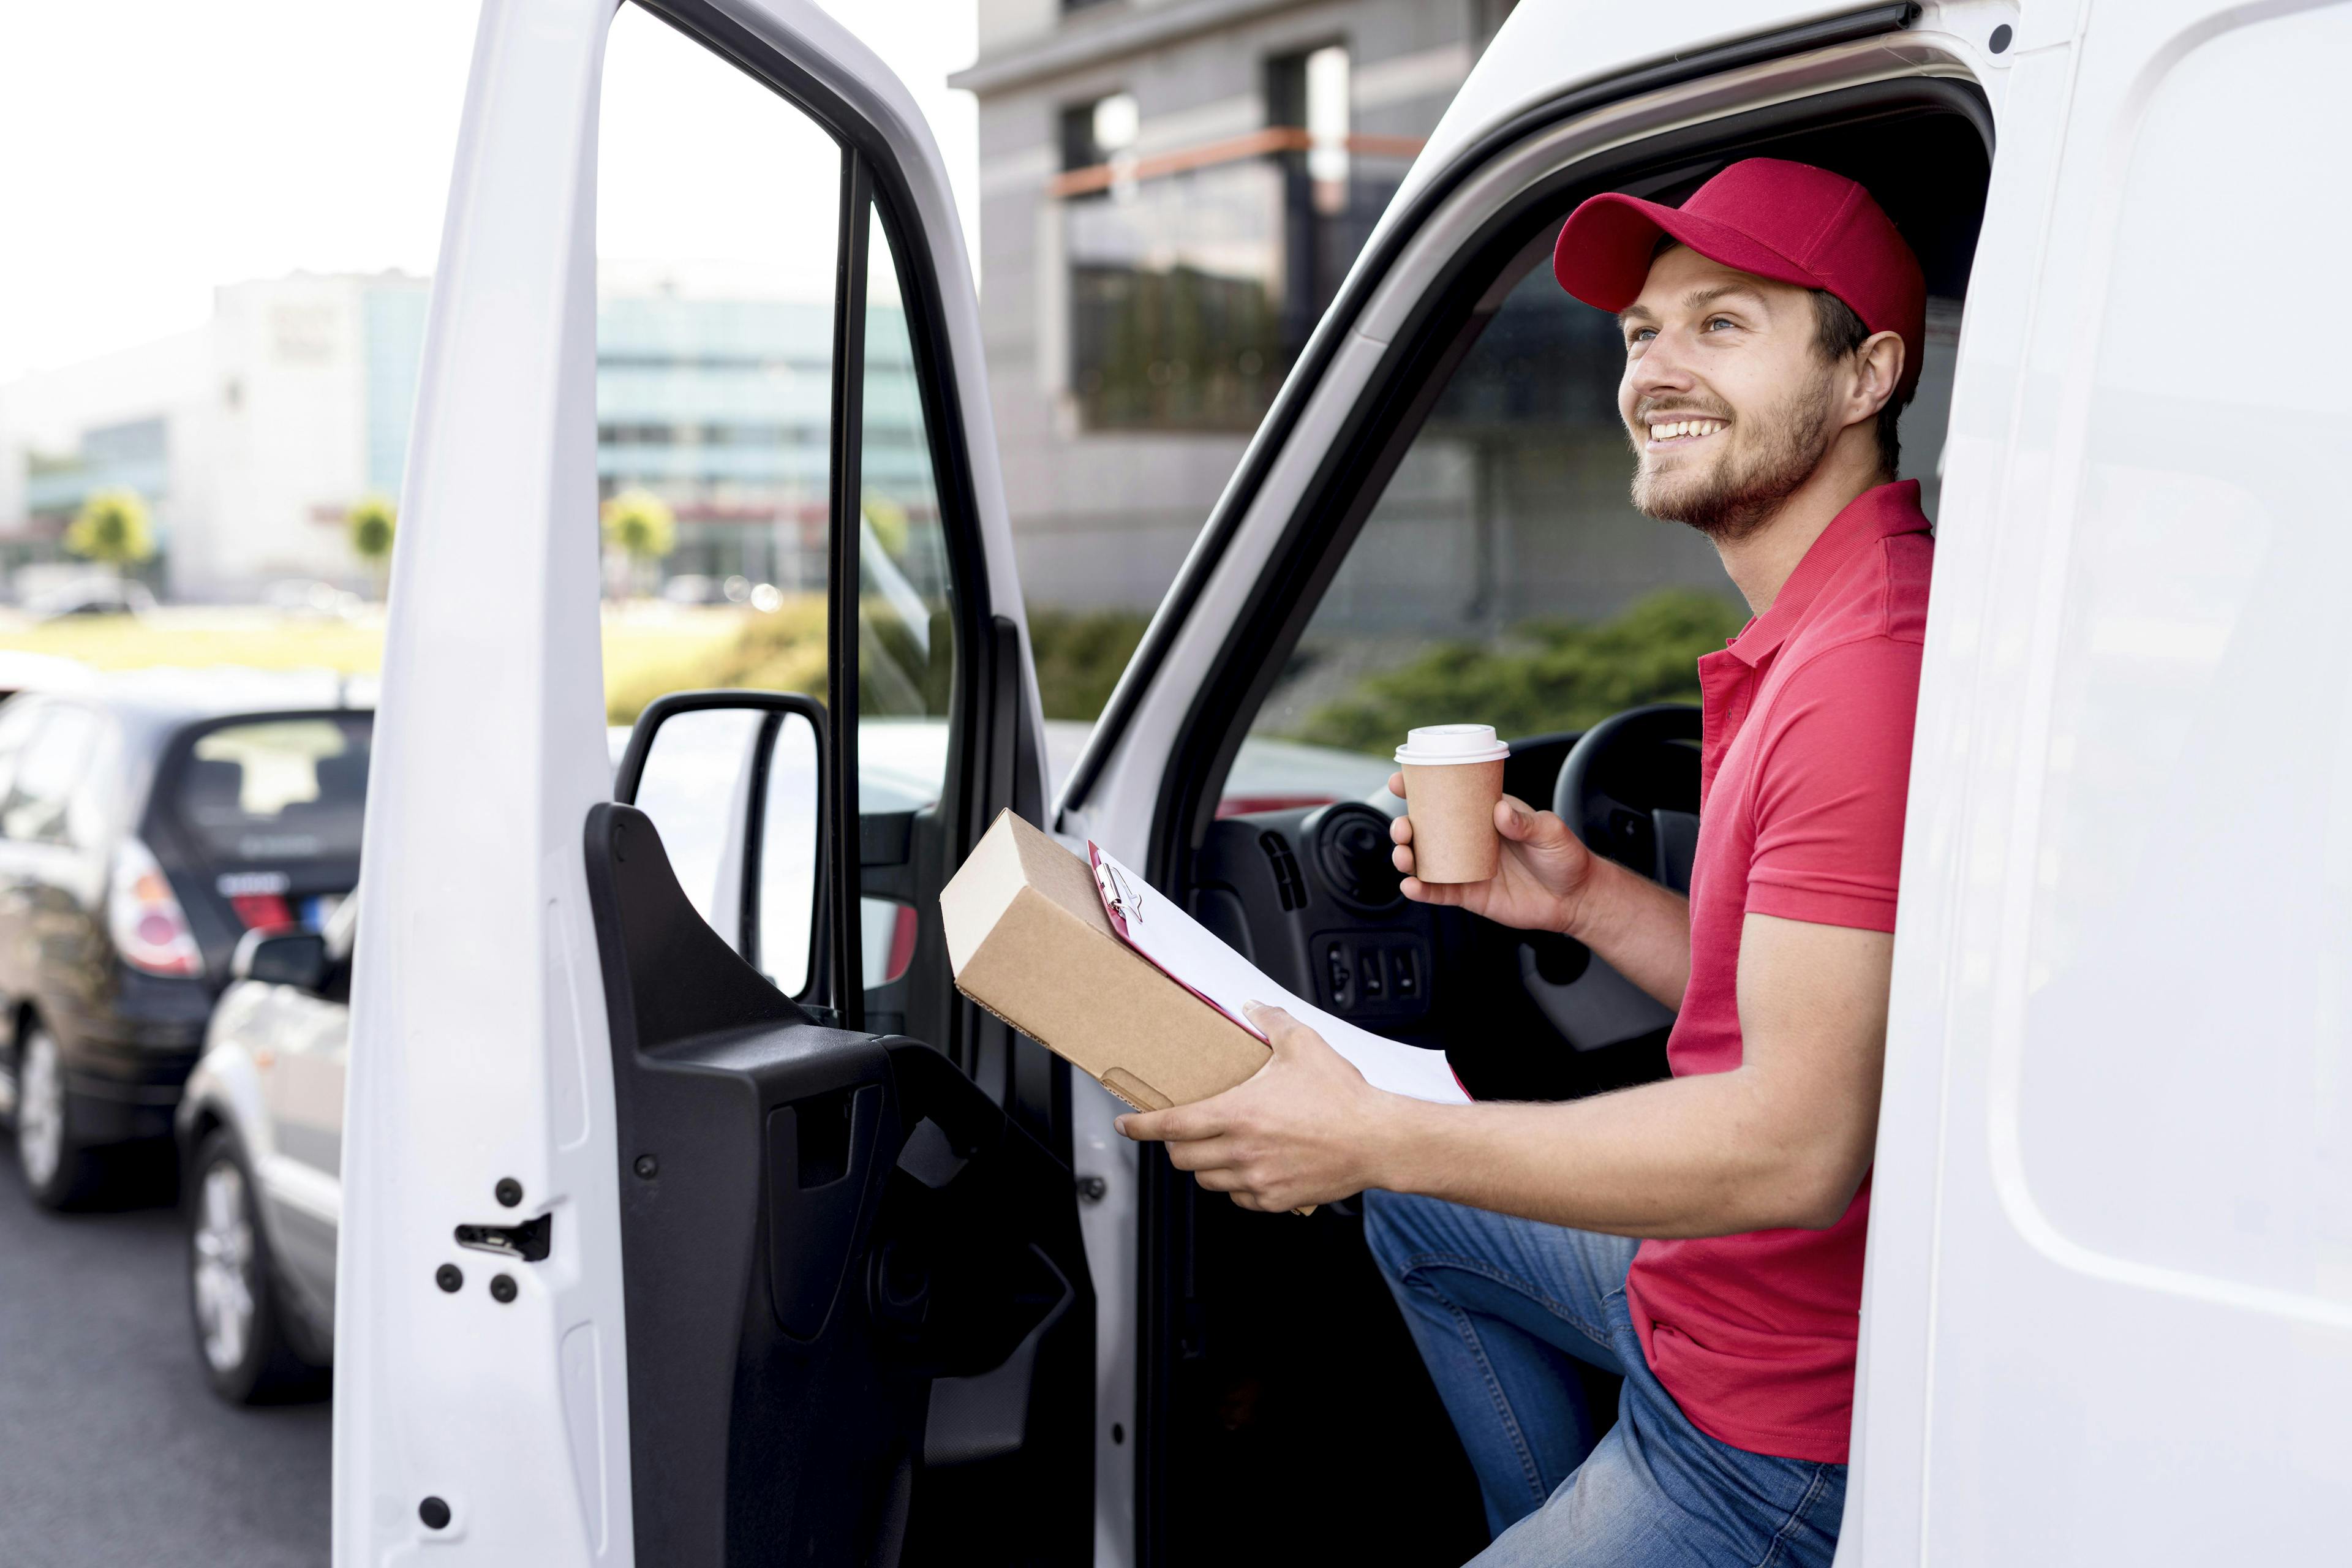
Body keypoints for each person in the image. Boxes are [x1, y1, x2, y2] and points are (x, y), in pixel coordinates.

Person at [1116, 157, 1933, 1567]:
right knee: (1422, 1213)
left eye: (1722, 324)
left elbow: (1798, 1145)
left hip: (1770, 1421)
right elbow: (1833, 1006)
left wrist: (1368, 1127)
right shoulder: (1837, 616)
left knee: (1399, 1166)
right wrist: (1587, 899)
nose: (1657, 370)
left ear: (1866, 374)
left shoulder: (1859, 675)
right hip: (1718, 1303)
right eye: (1641, 333)